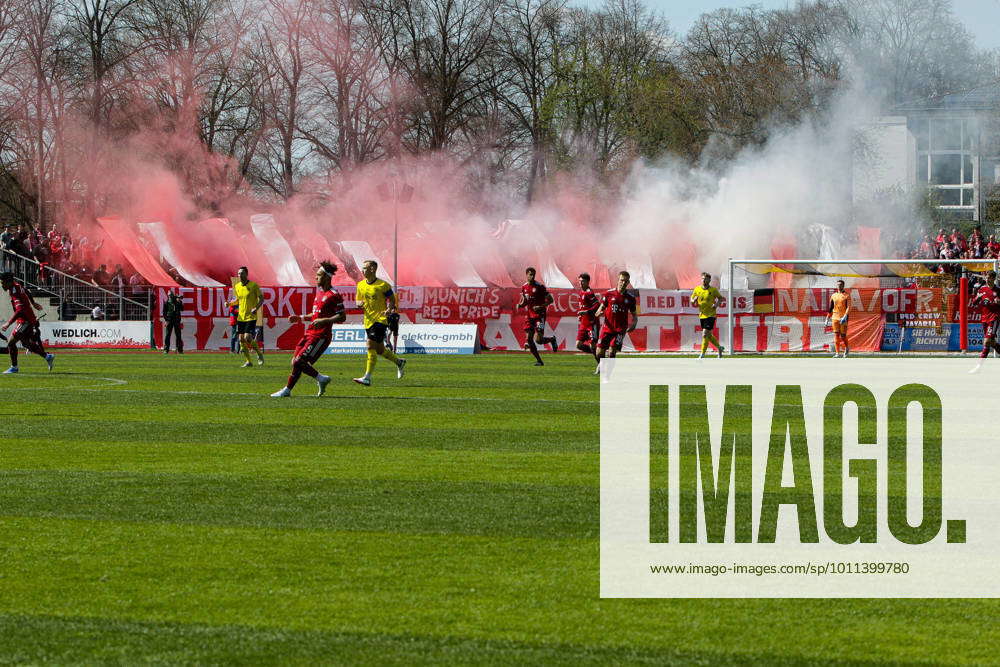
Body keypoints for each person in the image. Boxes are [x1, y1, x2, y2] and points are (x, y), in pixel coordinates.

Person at [271, 261, 346, 397]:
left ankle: (321, 378)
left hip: (321, 336)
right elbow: (316, 315)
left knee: (300, 361)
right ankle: (287, 390)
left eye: (319, 275)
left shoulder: (334, 295)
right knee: (295, 362)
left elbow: (342, 317)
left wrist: (325, 320)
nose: (316, 278)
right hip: (309, 332)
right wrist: (300, 317)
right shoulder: (319, 293)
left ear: (327, 277)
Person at [352, 259, 405, 386]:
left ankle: (367, 377)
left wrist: (389, 309)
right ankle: (399, 362)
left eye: (365, 267)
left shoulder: (383, 285)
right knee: (380, 350)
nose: (362, 270)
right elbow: (358, 301)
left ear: (372, 269)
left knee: (370, 345)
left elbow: (392, 299)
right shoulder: (360, 285)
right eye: (362, 267)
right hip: (368, 320)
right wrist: (359, 304)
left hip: (381, 320)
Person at [0, 271, 54, 373]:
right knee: (26, 343)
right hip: (28, 318)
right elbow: (27, 291)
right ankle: (47, 356)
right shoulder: (16, 285)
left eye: (3, 283)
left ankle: (14, 367)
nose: (2, 285)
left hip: (25, 320)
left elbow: (20, 311)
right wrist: (33, 303)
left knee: (11, 343)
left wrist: (8, 323)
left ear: (9, 281)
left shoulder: (15, 291)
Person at [594, 271, 637, 372]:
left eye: (626, 281)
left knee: (612, 352)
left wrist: (634, 324)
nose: (623, 283)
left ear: (628, 283)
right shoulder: (609, 294)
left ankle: (608, 374)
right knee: (599, 352)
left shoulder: (630, 298)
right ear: (618, 280)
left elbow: (635, 315)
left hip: (620, 329)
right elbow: (600, 309)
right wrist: (599, 312)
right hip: (607, 327)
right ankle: (602, 363)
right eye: (622, 280)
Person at [515, 266, 557, 366]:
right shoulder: (524, 287)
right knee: (529, 339)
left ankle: (552, 339)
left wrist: (541, 306)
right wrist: (520, 305)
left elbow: (550, 300)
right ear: (526, 275)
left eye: (533, 274)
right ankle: (539, 360)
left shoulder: (540, 287)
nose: (532, 276)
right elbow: (525, 301)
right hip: (529, 316)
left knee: (538, 340)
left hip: (539, 315)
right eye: (530, 274)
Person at [228, 266, 264, 367]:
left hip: (251, 316)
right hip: (241, 317)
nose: (240, 275)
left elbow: (261, 299)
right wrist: (229, 304)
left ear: (246, 274)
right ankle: (249, 361)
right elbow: (237, 300)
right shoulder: (237, 286)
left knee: (247, 337)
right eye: (238, 273)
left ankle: (259, 354)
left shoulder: (253, 285)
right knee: (241, 340)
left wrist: (256, 308)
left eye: (242, 273)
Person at [970, 271, 1000, 373]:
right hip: (984, 318)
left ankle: (979, 367)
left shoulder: (998, 290)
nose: (987, 279)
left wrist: (992, 302)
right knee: (992, 343)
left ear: (994, 278)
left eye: (989, 278)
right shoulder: (982, 289)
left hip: (994, 318)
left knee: (986, 342)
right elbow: (974, 302)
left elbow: (997, 304)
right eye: (986, 277)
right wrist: (978, 297)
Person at [691, 272, 726, 358]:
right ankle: (719, 348)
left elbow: (721, 298)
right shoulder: (697, 289)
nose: (704, 280)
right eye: (702, 278)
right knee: (709, 335)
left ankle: (702, 354)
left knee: (705, 334)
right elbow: (691, 300)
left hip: (711, 315)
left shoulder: (713, 290)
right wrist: (693, 300)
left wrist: (716, 305)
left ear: (709, 280)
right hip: (702, 314)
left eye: (706, 279)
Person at [575, 272, 600, 360]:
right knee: (578, 344)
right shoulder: (581, 292)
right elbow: (583, 306)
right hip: (583, 323)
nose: (580, 283)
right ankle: (599, 353)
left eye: (583, 281)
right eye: (580, 281)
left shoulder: (589, 292)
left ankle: (601, 364)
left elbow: (597, 305)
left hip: (591, 323)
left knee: (592, 345)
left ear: (588, 282)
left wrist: (587, 312)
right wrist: (581, 316)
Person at [826, 279, 851, 358]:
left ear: (843, 285)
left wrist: (845, 316)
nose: (839, 286)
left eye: (840, 284)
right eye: (838, 284)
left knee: (843, 335)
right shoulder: (833, 295)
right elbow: (831, 308)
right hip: (835, 317)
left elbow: (849, 307)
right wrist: (827, 318)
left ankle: (847, 348)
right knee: (836, 334)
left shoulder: (847, 295)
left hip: (843, 318)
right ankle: (837, 353)